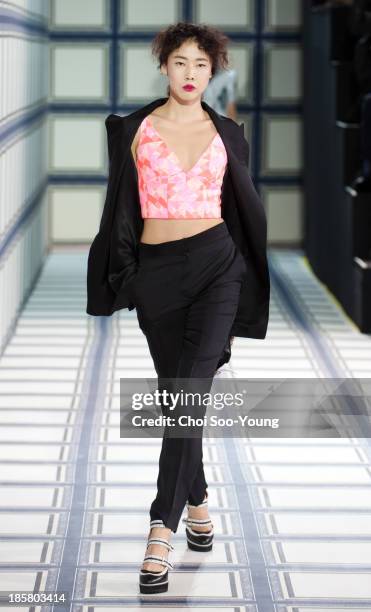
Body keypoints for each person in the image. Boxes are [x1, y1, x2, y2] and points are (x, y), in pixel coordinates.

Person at [86, 21, 270, 595]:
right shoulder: (134, 128)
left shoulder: (229, 133)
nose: (191, 74)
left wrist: (240, 268)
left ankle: (159, 528)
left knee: (189, 392)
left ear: (213, 71)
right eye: (181, 63)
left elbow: (240, 207)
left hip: (218, 265)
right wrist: (133, 279)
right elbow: (119, 207)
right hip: (157, 274)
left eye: (201, 64)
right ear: (164, 66)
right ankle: (199, 501)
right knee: (177, 399)